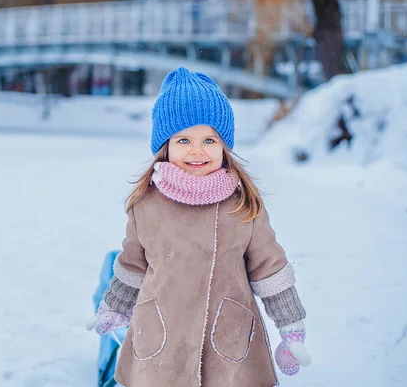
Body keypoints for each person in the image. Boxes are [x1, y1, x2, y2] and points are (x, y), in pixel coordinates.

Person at [87, 67, 311, 386]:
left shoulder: (242, 205)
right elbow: (132, 264)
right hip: (162, 339)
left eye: (209, 139)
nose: (197, 150)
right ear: (165, 147)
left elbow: (270, 269)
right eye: (183, 140)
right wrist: (115, 306)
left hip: (228, 341)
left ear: (224, 147)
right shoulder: (146, 205)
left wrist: (291, 328)